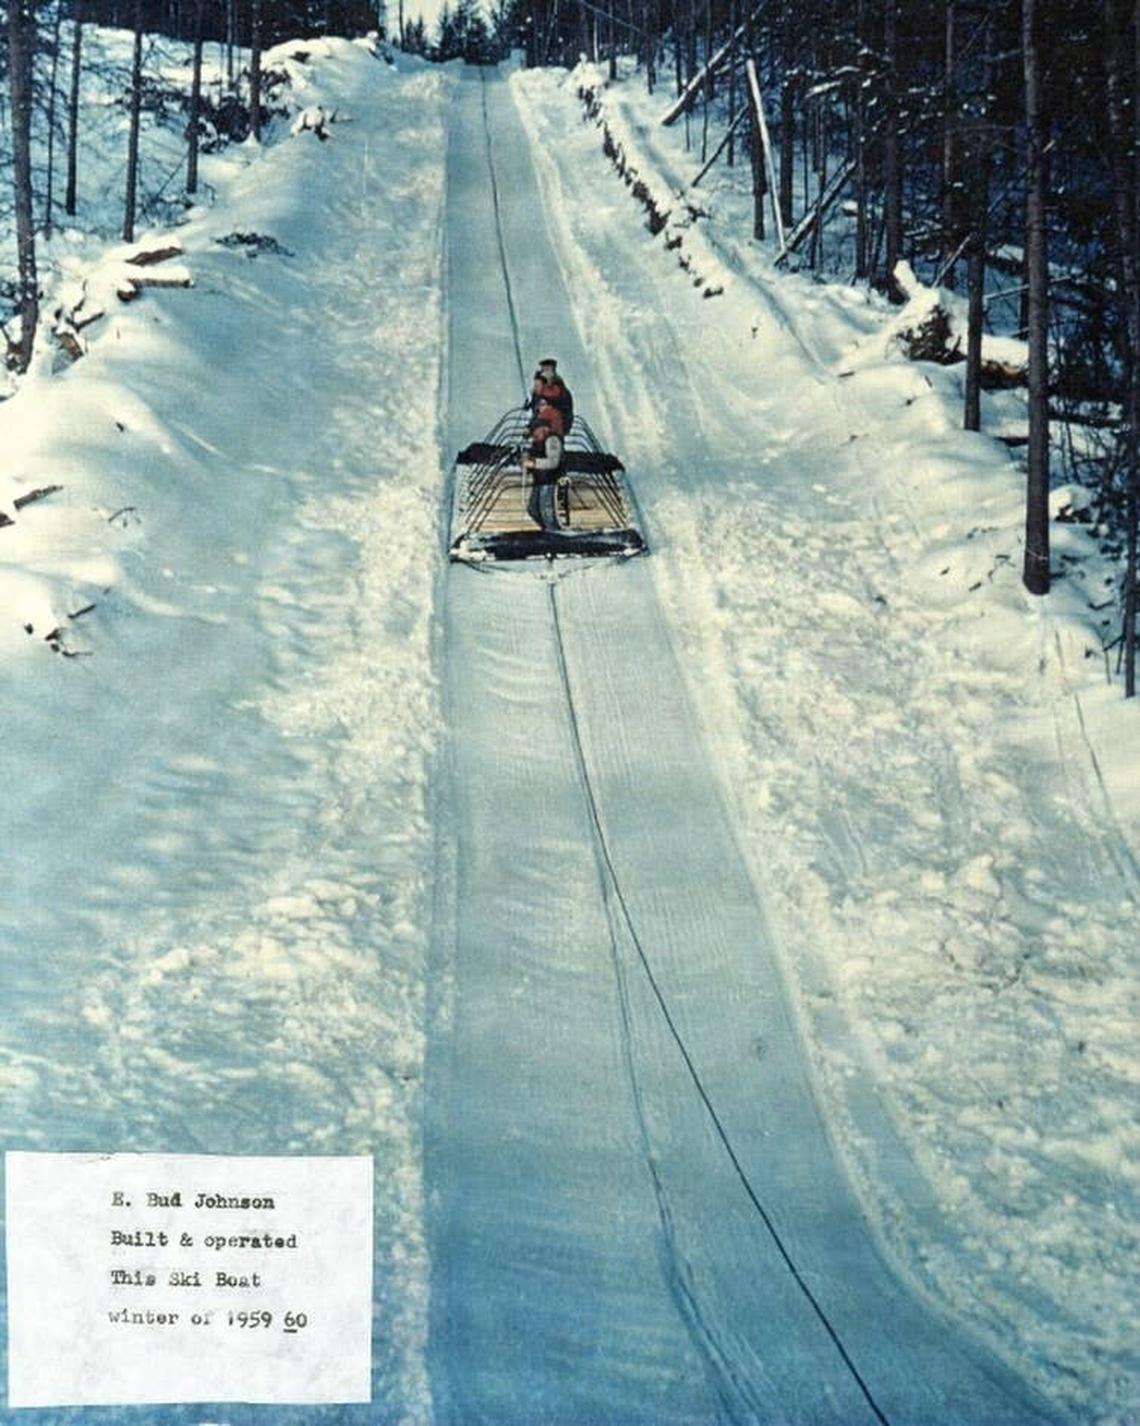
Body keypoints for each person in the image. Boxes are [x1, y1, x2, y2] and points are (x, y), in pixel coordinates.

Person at [522, 404, 565, 529]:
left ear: (544, 429)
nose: (534, 434)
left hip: (550, 480)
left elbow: (553, 462)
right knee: (532, 509)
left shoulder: (552, 441)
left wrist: (534, 463)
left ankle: (554, 533)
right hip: (540, 479)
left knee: (547, 511)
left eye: (536, 430)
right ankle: (547, 531)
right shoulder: (537, 443)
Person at [530, 357, 574, 437]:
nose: (546, 373)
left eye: (548, 370)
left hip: (555, 427)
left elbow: (567, 408)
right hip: (539, 428)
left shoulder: (561, 390)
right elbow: (535, 411)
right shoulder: (538, 391)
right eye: (544, 370)